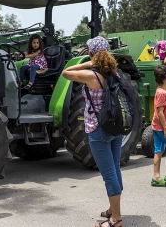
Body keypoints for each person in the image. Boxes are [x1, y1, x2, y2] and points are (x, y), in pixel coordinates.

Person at [62, 36, 123, 227]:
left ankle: (116, 219)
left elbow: (65, 72)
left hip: (98, 129)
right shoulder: (115, 74)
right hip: (116, 127)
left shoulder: (92, 76)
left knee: (108, 174)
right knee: (114, 168)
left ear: (92, 53)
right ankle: (113, 210)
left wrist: (87, 63)